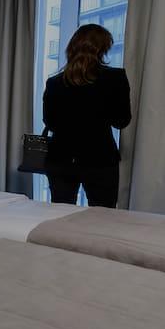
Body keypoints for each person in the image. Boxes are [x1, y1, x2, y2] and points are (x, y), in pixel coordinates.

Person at [43, 23, 131, 208]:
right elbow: (121, 120)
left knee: (60, 215)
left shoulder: (54, 82)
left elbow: (50, 122)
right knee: (103, 217)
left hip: (61, 158)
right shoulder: (115, 78)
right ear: (102, 49)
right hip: (100, 158)